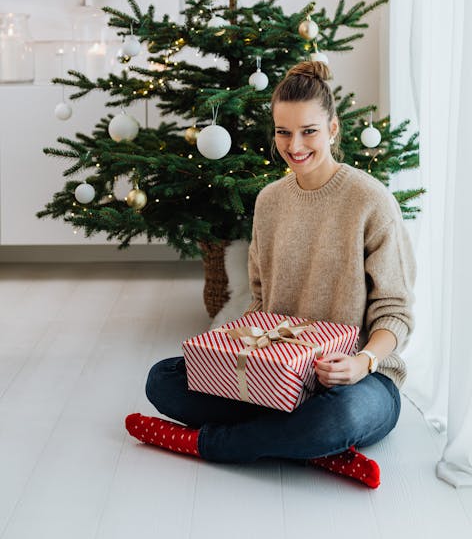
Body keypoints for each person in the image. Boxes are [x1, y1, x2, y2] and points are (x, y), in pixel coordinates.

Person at [125, 61, 416, 489]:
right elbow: (260, 303)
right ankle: (311, 448)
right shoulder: (270, 201)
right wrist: (232, 354)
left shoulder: (371, 200)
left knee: (344, 415)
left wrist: (361, 362)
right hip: (275, 377)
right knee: (163, 379)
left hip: (354, 382)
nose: (294, 145)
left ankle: (213, 444)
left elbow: (396, 313)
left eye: (309, 131)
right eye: (283, 132)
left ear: (333, 128)